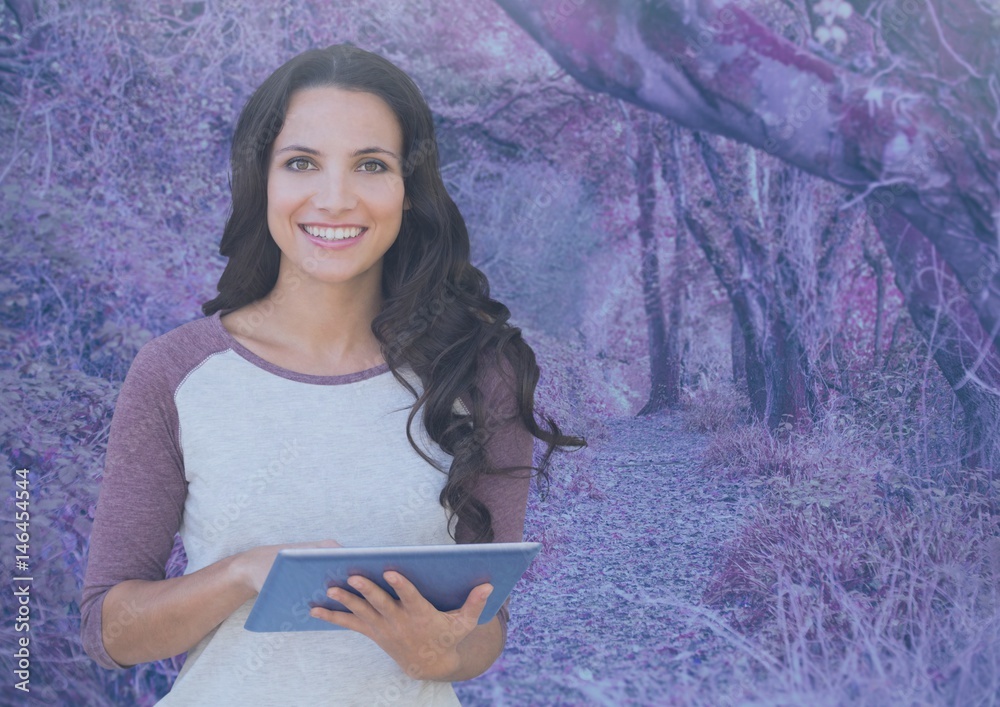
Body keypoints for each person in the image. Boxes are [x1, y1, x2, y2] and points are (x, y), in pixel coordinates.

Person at [79, 43, 584, 705]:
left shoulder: (479, 371)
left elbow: (485, 629)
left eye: (371, 165)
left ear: (409, 189)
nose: (336, 197)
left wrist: (444, 651)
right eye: (301, 163)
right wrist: (242, 575)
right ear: (264, 180)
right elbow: (108, 630)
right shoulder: (177, 372)